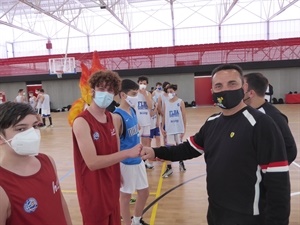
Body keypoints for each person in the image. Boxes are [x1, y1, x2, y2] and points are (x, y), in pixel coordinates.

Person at [142, 64, 290, 225]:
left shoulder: (261, 124)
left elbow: (279, 184)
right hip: (216, 213)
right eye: (218, 86)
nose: (225, 90)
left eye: (232, 84)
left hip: (248, 217)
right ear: (212, 91)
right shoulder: (212, 123)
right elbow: (188, 149)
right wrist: (155, 152)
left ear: (244, 87)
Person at [72, 70, 142, 225]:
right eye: (102, 89)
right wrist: (127, 153)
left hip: (111, 184)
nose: (106, 93)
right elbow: (92, 163)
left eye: (110, 90)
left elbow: (114, 150)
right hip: (92, 189)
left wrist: (117, 172)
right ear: (92, 91)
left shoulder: (112, 118)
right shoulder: (82, 122)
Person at [0, 102, 72, 225]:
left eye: (34, 126)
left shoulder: (48, 161)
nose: (31, 133)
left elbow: (60, 202)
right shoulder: (3, 185)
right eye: (21, 129)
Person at [114, 79, 150, 225]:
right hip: (126, 163)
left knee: (144, 192)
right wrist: (116, 168)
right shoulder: (117, 116)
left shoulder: (132, 110)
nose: (136, 97)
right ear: (123, 95)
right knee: (125, 197)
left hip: (138, 159)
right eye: (133, 94)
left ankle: (136, 221)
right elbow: (115, 147)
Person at [243, 72, 297, 164]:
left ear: (251, 93)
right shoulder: (244, 111)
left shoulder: (274, 117)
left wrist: (269, 170)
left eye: (241, 88)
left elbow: (290, 151)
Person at [161, 84, 187, 178]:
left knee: (179, 147)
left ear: (175, 91)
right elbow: (164, 115)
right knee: (168, 149)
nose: (169, 94)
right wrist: (162, 127)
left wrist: (184, 129)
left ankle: (181, 162)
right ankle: (169, 168)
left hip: (178, 128)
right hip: (169, 129)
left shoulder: (180, 102)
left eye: (171, 91)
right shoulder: (166, 102)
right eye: (168, 92)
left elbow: (184, 116)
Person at [135, 76, 154, 169]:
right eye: (141, 83)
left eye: (145, 83)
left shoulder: (148, 94)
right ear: (138, 83)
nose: (143, 85)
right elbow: (131, 108)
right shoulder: (134, 93)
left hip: (146, 121)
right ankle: (138, 161)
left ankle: (144, 161)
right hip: (138, 123)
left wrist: (145, 95)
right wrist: (135, 121)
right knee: (138, 144)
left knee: (146, 143)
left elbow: (150, 106)